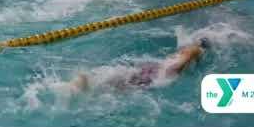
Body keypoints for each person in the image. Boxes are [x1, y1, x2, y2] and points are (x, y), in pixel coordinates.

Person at [67, 39, 209, 93]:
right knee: (122, 85)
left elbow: (186, 55)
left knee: (122, 79)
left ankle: (87, 83)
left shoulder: (177, 57)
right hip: (154, 74)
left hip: (151, 70)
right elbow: (179, 64)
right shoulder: (180, 58)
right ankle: (88, 86)